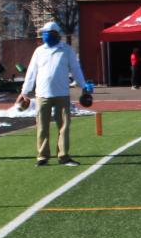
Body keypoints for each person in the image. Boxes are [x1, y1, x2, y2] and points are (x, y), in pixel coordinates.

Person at [17, 21, 89, 167]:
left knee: (64, 126)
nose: (45, 35)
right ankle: (42, 156)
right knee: (42, 127)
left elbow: (76, 70)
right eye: (44, 33)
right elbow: (31, 72)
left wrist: (83, 86)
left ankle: (63, 156)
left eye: (47, 33)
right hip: (42, 94)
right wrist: (24, 92)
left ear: (56, 34)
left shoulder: (67, 50)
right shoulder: (39, 51)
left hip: (61, 93)